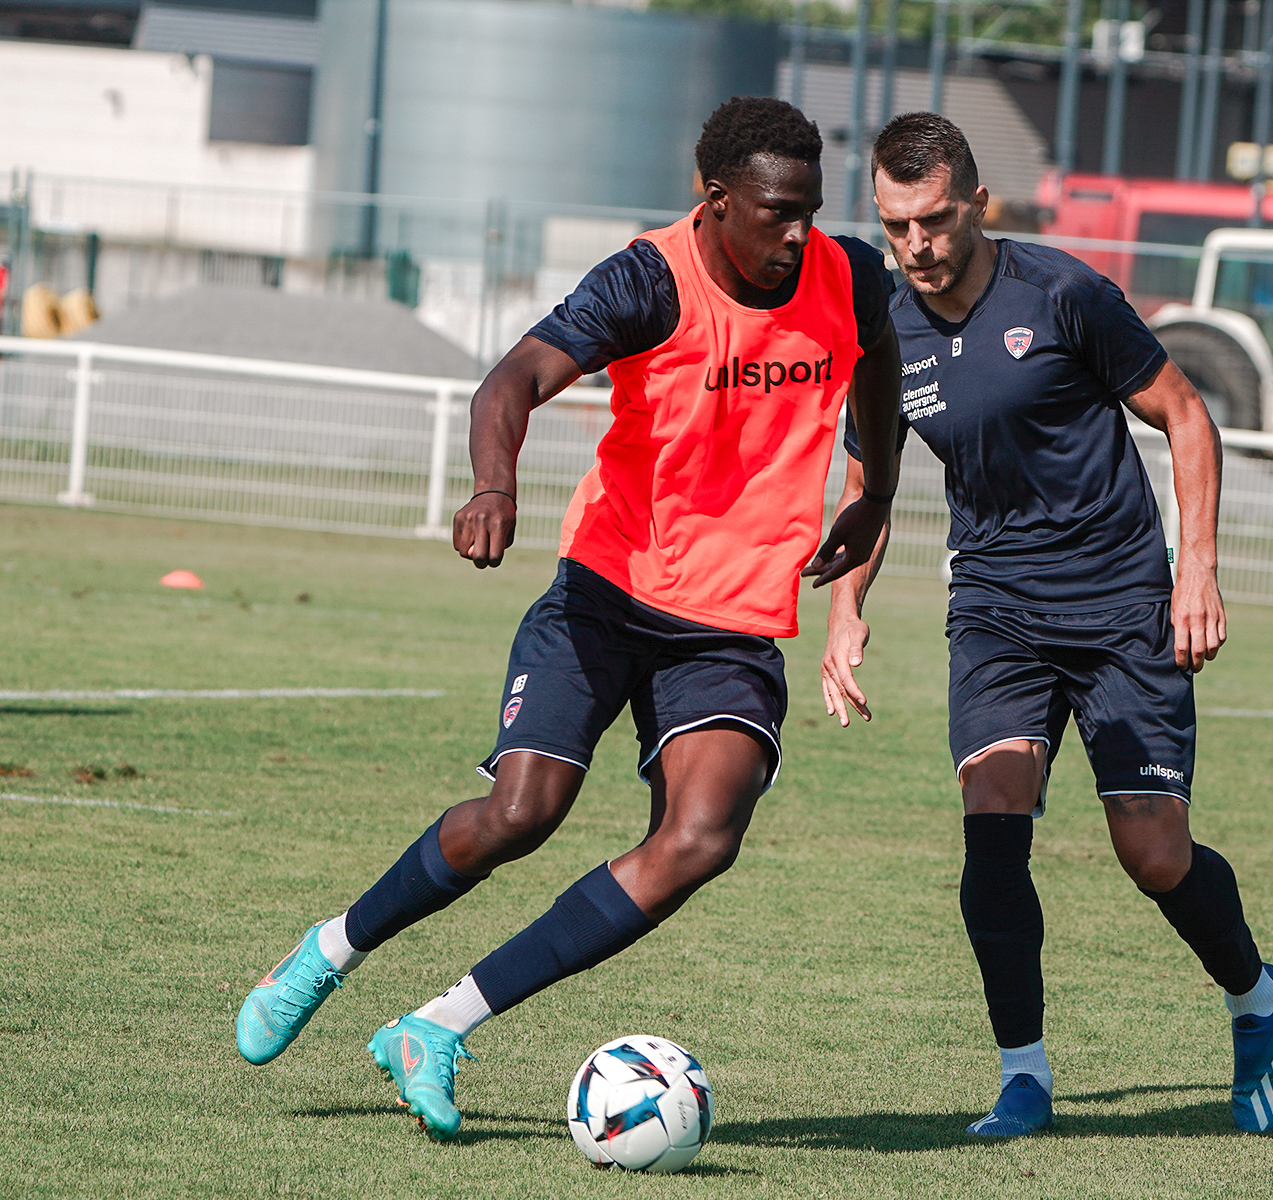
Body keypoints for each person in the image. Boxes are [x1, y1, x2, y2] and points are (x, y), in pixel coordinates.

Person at [235, 96, 902, 1141]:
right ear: (715, 199)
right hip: (605, 595)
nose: (796, 234)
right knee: (522, 814)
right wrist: (493, 486)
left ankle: (440, 1025)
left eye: (809, 212)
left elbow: (881, 379)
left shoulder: (849, 274)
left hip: (729, 625)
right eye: (775, 212)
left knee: (699, 838)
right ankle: (329, 951)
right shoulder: (647, 279)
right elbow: (513, 378)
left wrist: (874, 494)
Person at [821, 113, 1273, 1137]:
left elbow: (1184, 413)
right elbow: (873, 478)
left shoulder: (1064, 294)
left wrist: (1195, 568)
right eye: (895, 227)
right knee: (993, 827)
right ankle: (1024, 1075)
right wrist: (845, 611)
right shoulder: (885, 332)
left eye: (935, 222)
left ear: (978, 206)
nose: (916, 248)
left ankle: (1255, 996)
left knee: (1152, 854)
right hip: (995, 607)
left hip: (1125, 603)